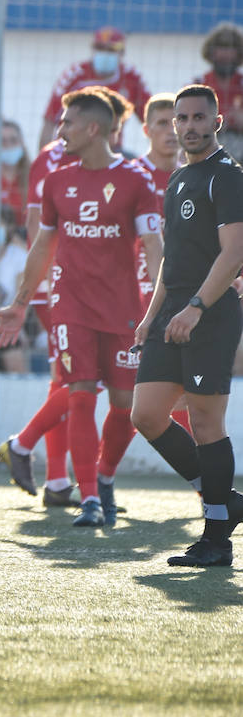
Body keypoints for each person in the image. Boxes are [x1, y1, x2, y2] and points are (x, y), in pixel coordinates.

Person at [0, 87, 163, 529]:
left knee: (126, 405)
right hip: (72, 305)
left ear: (92, 129)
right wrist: (20, 303)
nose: (58, 130)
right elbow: (41, 247)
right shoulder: (56, 179)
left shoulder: (135, 179)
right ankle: (87, 497)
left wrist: (162, 302)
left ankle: (103, 479)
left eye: (66, 123)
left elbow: (153, 246)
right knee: (81, 392)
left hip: (125, 307)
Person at [130, 84, 243, 566]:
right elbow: (170, 261)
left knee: (204, 421)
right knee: (147, 416)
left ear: (216, 123)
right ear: (173, 125)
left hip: (209, 314)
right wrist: (151, 315)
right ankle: (227, 500)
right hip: (172, 314)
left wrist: (196, 306)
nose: (190, 126)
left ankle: (216, 536)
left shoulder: (228, 177)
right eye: (182, 119)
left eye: (200, 118)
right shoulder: (177, 180)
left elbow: (235, 252)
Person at [38, 27, 151, 152]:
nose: (105, 53)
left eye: (111, 49)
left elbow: (151, 118)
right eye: (100, 48)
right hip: (71, 149)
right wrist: (44, 157)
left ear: (122, 52)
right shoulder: (74, 75)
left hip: (112, 150)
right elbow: (49, 121)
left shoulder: (131, 77)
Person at [194, 22, 243, 158]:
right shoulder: (198, 85)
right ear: (211, 52)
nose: (226, 54)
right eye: (221, 47)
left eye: (231, 48)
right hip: (207, 147)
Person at [0, 119, 30, 220]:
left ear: (21, 143)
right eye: (3, 141)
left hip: (25, 234)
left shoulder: (33, 175)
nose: (8, 145)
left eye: (13, 140)